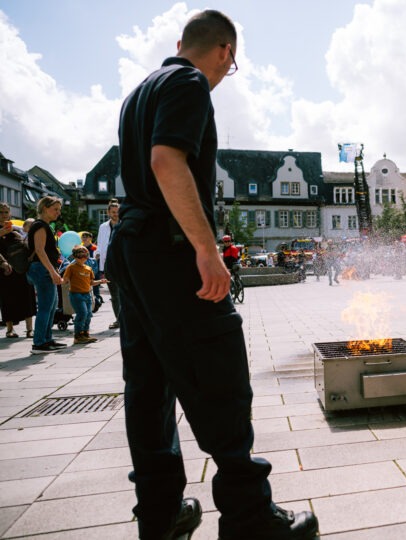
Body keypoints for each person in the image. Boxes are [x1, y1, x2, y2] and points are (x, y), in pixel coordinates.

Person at [109, 10, 318, 540]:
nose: (229, 72)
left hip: (132, 251)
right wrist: (205, 247)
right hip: (169, 251)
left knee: (149, 387)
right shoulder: (189, 82)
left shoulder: (139, 92)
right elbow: (166, 161)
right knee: (220, 377)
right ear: (225, 51)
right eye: (233, 62)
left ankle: (159, 515)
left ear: (182, 41)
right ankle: (249, 517)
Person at [26, 196, 68, 354]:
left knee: (51, 306)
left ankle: (47, 339)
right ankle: (39, 343)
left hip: (44, 268)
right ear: (44, 208)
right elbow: (39, 250)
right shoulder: (40, 226)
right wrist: (52, 271)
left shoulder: (44, 226)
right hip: (41, 269)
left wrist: (54, 270)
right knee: (45, 306)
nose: (58, 212)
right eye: (55, 209)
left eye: (59, 209)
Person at [0, 203, 35, 339]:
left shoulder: (15, 230)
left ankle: (29, 329)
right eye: (1, 212)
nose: (4, 215)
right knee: (7, 298)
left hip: (21, 268)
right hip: (4, 270)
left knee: (27, 297)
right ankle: (10, 329)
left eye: (6, 212)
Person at [62, 245, 107, 345]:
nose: (82, 258)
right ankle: (78, 336)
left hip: (87, 295)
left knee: (89, 314)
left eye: (85, 255)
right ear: (74, 257)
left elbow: (91, 282)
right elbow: (65, 280)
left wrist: (100, 281)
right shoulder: (71, 267)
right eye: (79, 255)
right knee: (82, 313)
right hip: (76, 295)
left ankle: (85, 334)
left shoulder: (88, 268)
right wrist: (57, 279)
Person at [95, 199, 121, 329]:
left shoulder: (124, 224)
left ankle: (127, 319)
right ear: (108, 212)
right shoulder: (103, 227)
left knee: (126, 293)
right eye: (113, 212)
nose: (115, 214)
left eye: (117, 212)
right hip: (108, 264)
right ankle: (119, 319)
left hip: (123, 263)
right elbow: (100, 245)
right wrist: (99, 261)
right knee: (114, 295)